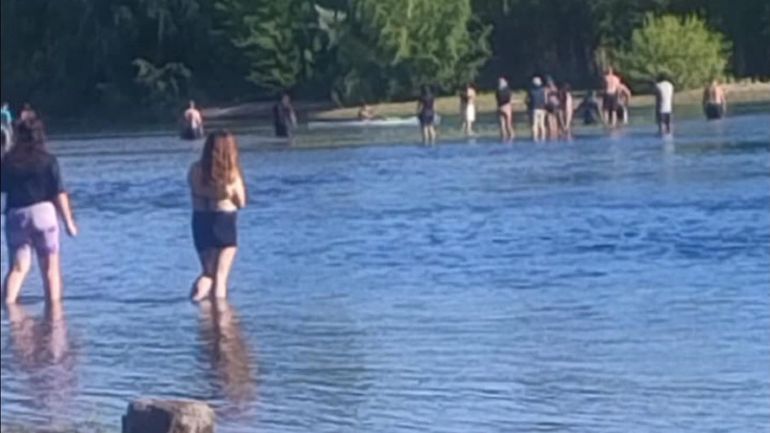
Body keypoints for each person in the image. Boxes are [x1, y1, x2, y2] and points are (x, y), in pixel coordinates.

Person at [1, 119, 78, 305]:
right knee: (51, 270)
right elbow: (59, 192)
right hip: (44, 214)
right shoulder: (49, 160)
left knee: (18, 268)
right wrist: (69, 223)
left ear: (17, 136)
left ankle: (8, 309)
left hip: (16, 215)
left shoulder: (8, 161)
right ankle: (54, 315)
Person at [188, 130, 247, 301]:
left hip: (200, 222)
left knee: (208, 273)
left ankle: (196, 301)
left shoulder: (194, 170)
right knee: (221, 278)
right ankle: (221, 317)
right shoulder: (231, 175)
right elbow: (241, 202)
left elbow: (192, 189)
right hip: (224, 222)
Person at [527, 76, 547, 142]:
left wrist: (529, 106)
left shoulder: (531, 91)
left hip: (534, 109)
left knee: (534, 124)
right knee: (542, 124)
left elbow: (527, 100)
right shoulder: (543, 90)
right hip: (542, 109)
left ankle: (535, 138)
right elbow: (545, 100)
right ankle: (543, 137)